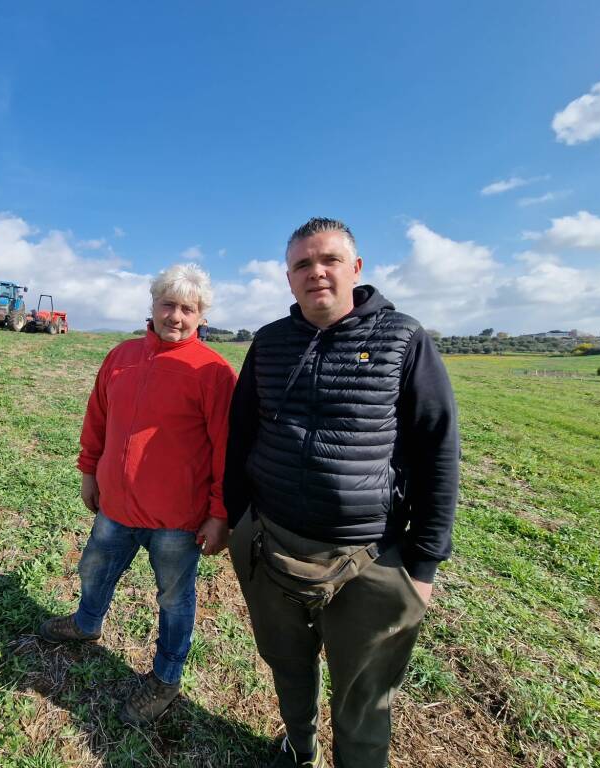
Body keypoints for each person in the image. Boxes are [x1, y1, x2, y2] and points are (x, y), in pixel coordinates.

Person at [224, 218, 459, 768]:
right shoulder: (270, 342)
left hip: (368, 557)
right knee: (287, 665)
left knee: (363, 696)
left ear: (356, 268)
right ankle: (297, 747)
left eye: (329, 260)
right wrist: (238, 520)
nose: (317, 272)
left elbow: (437, 453)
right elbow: (241, 434)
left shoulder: (403, 339)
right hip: (269, 541)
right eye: (303, 264)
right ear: (289, 279)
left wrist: (422, 566)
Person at [39, 263, 237, 725]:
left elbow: (228, 448)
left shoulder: (213, 372)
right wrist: (90, 470)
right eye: (168, 304)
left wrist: (219, 513)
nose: (176, 316)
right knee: (94, 567)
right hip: (117, 505)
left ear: (201, 315)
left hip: (177, 518)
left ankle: (166, 677)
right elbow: (98, 418)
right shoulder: (122, 356)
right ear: (152, 305)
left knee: (174, 598)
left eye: (188, 309)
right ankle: (87, 623)